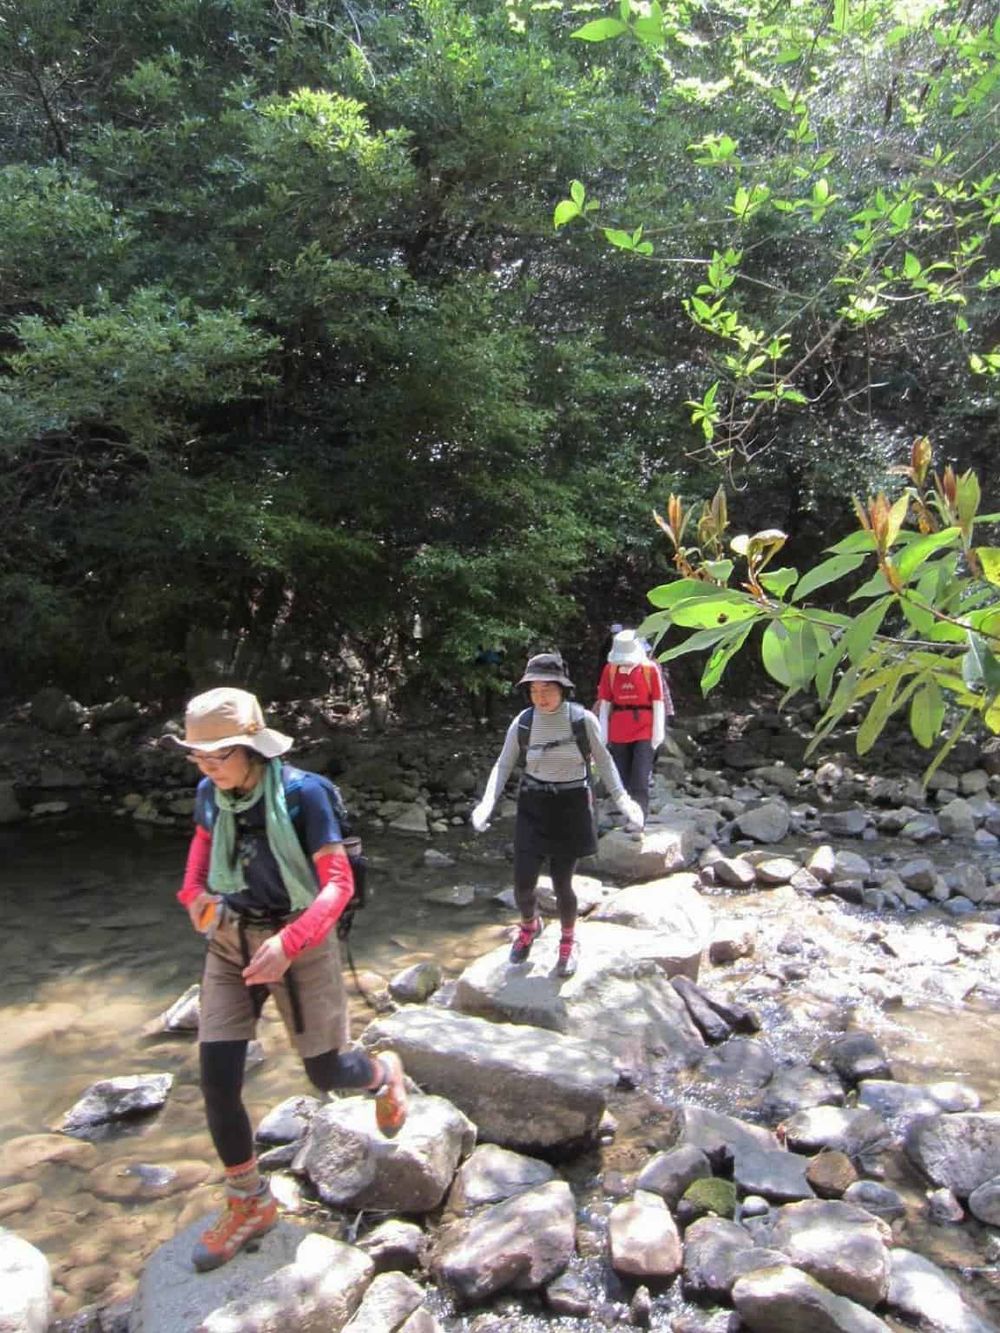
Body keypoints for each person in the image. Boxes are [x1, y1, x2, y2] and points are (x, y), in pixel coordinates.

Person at [165, 687, 408, 1272]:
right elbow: (199, 859)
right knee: (217, 1080)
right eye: (198, 756)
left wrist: (289, 943)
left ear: (251, 747)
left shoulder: (306, 795)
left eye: (218, 755)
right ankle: (250, 1202)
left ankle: (383, 1073)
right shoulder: (209, 793)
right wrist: (194, 896)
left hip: (301, 939)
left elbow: (338, 886)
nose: (206, 766)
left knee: (326, 1071)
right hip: (229, 940)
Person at [470, 652, 644, 979]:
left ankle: (567, 942)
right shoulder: (523, 722)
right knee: (523, 885)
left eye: (547, 689)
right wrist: (487, 803)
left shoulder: (582, 721)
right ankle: (529, 924)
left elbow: (605, 763)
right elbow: (504, 764)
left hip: (572, 804)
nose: (540, 697)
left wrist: (624, 801)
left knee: (563, 883)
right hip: (533, 803)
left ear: (562, 688)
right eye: (534, 690)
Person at [595, 628, 669, 819]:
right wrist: (602, 735)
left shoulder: (649, 669)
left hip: (644, 730)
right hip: (618, 731)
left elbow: (658, 703)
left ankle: (639, 820)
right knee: (621, 777)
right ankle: (627, 816)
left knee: (640, 778)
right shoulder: (610, 670)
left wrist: (657, 734)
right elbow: (605, 704)